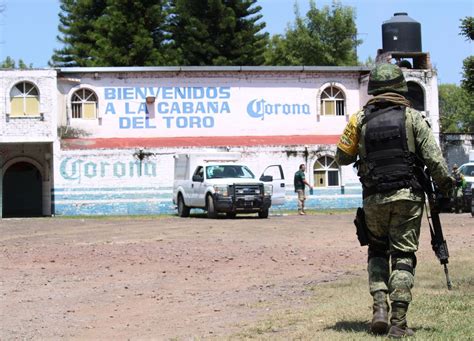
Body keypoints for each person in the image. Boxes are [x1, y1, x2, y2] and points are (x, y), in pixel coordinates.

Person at [335, 63, 453, 338]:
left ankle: (379, 309)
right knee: (402, 256)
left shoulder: (358, 120)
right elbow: (435, 162)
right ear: (401, 87)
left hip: (374, 197)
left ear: (373, 89)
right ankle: (398, 323)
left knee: (377, 251)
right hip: (407, 198)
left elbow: (341, 157)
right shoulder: (413, 118)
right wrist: (447, 187)